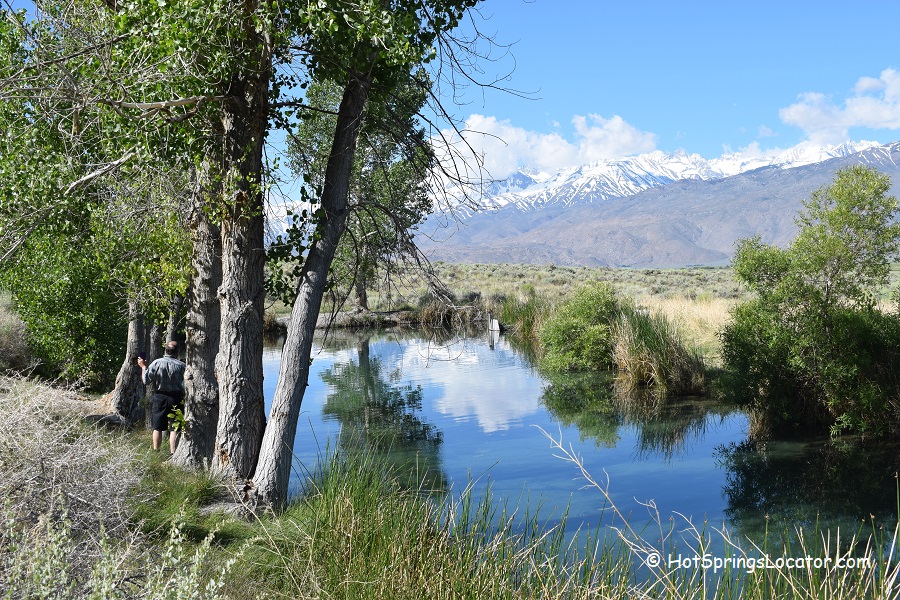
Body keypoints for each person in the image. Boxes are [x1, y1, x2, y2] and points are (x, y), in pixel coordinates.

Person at [137, 340, 186, 453]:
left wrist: (143, 367)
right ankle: (173, 453)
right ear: (177, 352)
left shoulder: (157, 363)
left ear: (166, 350)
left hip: (160, 397)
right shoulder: (182, 366)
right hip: (176, 397)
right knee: (175, 427)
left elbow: (146, 381)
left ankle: (156, 451)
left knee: (158, 427)